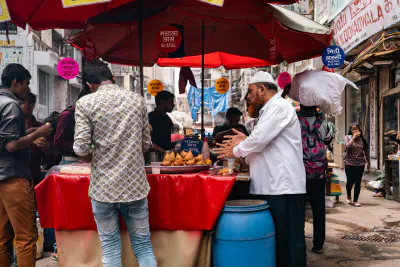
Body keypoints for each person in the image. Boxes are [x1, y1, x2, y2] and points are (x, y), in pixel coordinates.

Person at [215, 71, 307, 267]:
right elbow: (259, 144)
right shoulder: (267, 112)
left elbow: (258, 140)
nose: (248, 96)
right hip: (270, 188)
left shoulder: (280, 107)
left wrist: (237, 150)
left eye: (250, 91)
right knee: (276, 245)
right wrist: (244, 146)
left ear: (262, 89)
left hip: (284, 187)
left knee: (290, 245)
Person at [73, 62, 157, 267]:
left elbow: (81, 148)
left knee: (110, 247)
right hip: (135, 186)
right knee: (143, 245)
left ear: (90, 84)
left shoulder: (86, 103)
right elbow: (146, 143)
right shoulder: (137, 100)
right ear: (111, 77)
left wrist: (98, 154)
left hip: (103, 188)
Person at [0, 64, 52, 266]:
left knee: (3, 238)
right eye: (26, 84)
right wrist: (37, 133)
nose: (28, 89)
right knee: (25, 238)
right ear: (15, 82)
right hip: (14, 178)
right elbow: (11, 144)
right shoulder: (11, 105)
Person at [297, 104, 333, 255]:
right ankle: (318, 244)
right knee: (319, 211)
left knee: (299, 211)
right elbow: (327, 141)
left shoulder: (295, 122)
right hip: (319, 174)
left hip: (300, 174)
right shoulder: (323, 123)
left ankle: (299, 242)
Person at [53, 89, 89, 165]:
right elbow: (58, 142)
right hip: (70, 161)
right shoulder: (67, 115)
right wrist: (79, 145)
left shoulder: (90, 116)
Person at [344, 123, 370, 207]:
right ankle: (348, 195)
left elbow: (366, 151)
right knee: (350, 182)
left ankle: (355, 200)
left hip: (360, 163)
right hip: (349, 163)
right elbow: (347, 148)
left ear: (359, 130)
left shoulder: (362, 139)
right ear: (350, 131)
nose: (355, 131)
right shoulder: (347, 137)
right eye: (353, 129)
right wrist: (353, 138)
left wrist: (368, 162)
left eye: (356, 129)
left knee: (358, 182)